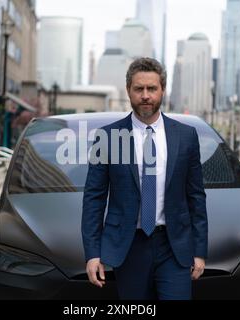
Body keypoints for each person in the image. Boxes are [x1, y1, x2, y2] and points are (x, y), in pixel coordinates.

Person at [81, 57, 208, 300]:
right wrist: (92, 253)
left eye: (152, 88)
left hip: (174, 246)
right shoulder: (108, 137)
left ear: (163, 90)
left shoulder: (186, 136)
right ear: (128, 90)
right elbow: (94, 198)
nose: (146, 95)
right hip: (129, 247)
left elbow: (196, 196)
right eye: (139, 89)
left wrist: (199, 251)